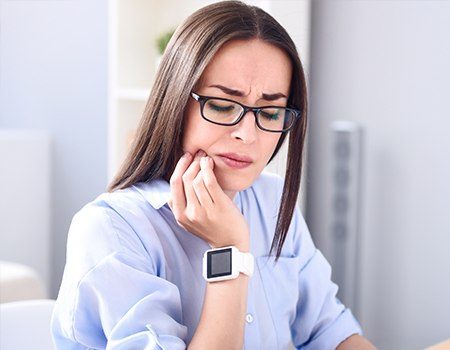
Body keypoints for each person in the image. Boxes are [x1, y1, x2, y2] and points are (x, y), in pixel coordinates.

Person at [51, 1, 377, 349]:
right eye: (222, 106)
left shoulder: (272, 200)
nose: (248, 135)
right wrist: (230, 250)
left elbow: (331, 333)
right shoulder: (112, 231)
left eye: (270, 112)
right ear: (175, 102)